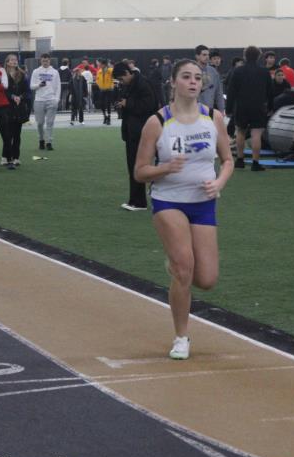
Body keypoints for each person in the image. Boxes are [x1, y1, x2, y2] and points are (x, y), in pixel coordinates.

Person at [134, 59, 234, 360]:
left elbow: (228, 160)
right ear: (173, 82)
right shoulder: (157, 122)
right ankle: (181, 337)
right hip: (169, 200)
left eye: (197, 78)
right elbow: (140, 171)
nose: (193, 82)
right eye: (186, 77)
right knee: (184, 270)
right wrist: (164, 168)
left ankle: (177, 262)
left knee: (207, 279)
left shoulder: (213, 117)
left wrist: (219, 182)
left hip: (203, 203)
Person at [114, 61, 158, 210]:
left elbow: (150, 106)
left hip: (141, 132)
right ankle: (135, 200)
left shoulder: (143, 84)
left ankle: (139, 202)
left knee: (137, 166)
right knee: (133, 166)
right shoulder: (131, 84)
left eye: (121, 79)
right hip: (132, 131)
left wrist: (128, 103)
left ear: (127, 73)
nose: (121, 82)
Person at [226, 45, 274, 171]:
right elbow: (270, 92)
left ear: (244, 56)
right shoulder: (264, 72)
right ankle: (255, 163)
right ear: (259, 57)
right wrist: (270, 107)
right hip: (258, 106)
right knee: (256, 134)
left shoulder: (238, 71)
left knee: (240, 132)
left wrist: (228, 108)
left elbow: (231, 91)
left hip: (241, 106)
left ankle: (240, 160)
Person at [4, 54, 30, 168]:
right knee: (7, 135)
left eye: (15, 60)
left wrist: (20, 97)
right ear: (7, 62)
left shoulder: (22, 74)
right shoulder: (3, 75)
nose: (14, 61)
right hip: (7, 108)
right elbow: (3, 91)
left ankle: (16, 158)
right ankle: (6, 157)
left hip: (19, 108)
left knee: (17, 135)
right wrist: (12, 96)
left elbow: (27, 91)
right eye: (12, 60)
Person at [31, 53, 60, 151]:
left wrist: (56, 99)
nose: (45, 62)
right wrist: (39, 85)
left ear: (49, 61)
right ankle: (41, 140)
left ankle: (49, 142)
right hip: (39, 100)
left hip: (51, 100)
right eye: (43, 61)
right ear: (40, 61)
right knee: (40, 123)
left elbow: (58, 86)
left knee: (50, 122)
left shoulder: (55, 72)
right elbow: (31, 86)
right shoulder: (36, 71)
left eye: (47, 61)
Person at [194, 45, 225, 115]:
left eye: (208, 55)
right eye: (204, 55)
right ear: (197, 56)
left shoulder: (213, 72)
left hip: (209, 109)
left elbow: (219, 93)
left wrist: (221, 110)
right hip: (194, 110)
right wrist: (202, 87)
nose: (207, 57)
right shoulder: (192, 71)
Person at [94, 59, 114, 125]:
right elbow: (97, 79)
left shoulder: (110, 70)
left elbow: (114, 75)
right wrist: (99, 85)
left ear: (104, 64)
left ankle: (109, 117)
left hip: (109, 90)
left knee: (108, 104)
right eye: (100, 64)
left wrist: (111, 85)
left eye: (101, 64)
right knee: (102, 104)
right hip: (102, 90)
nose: (100, 65)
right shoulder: (99, 71)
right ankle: (105, 116)